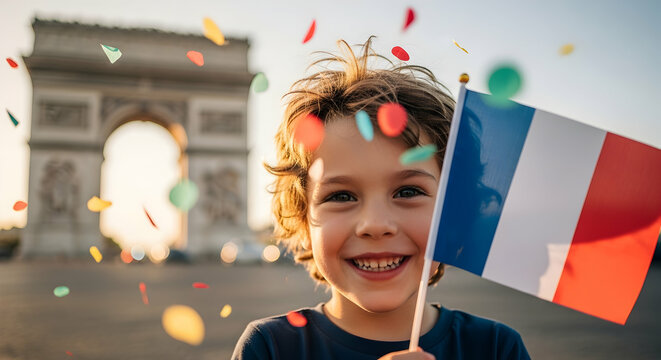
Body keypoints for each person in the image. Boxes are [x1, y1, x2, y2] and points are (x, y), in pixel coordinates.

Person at [232, 37, 530, 360]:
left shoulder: (497, 348)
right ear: (303, 218)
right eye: (341, 195)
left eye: (408, 191)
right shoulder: (269, 348)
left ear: (452, 213)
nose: (375, 225)